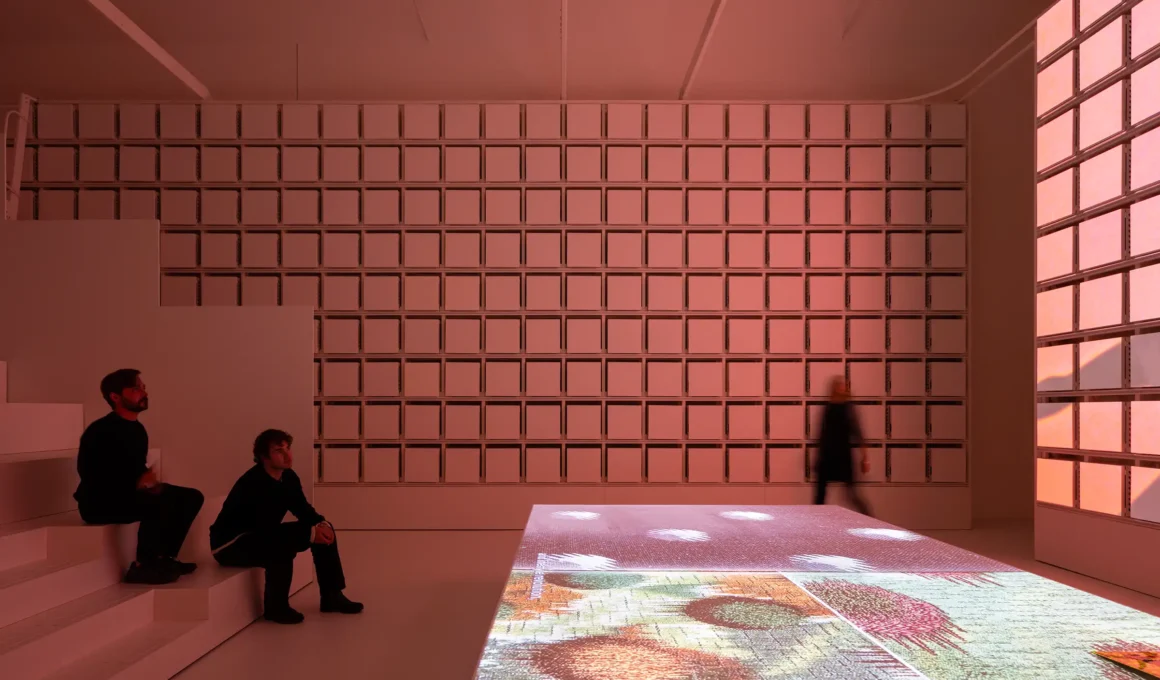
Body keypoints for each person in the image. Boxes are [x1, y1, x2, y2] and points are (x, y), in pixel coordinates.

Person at [210, 429, 362, 624]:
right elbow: (262, 528)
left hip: (259, 535)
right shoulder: (253, 482)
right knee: (284, 542)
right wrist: (309, 532)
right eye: (278, 451)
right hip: (230, 544)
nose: (287, 455)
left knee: (322, 528)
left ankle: (332, 595)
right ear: (264, 457)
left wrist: (320, 523)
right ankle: (276, 608)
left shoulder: (288, 477)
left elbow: (302, 509)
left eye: (288, 448)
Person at [75, 369, 205, 584]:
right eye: (136, 389)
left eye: (143, 388)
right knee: (157, 501)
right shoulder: (101, 431)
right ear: (115, 397)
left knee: (192, 497)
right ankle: (143, 565)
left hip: (127, 493)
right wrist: (139, 484)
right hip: (99, 502)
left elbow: (135, 469)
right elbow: (91, 475)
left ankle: (165, 558)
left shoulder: (137, 429)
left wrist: (147, 481)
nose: (144, 393)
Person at [813, 376, 873, 516]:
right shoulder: (828, 406)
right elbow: (822, 434)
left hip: (843, 456)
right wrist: (816, 458)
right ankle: (815, 524)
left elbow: (858, 433)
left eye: (843, 385)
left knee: (852, 494)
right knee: (819, 495)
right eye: (839, 385)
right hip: (827, 455)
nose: (842, 388)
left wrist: (865, 458)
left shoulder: (848, 408)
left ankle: (872, 519)